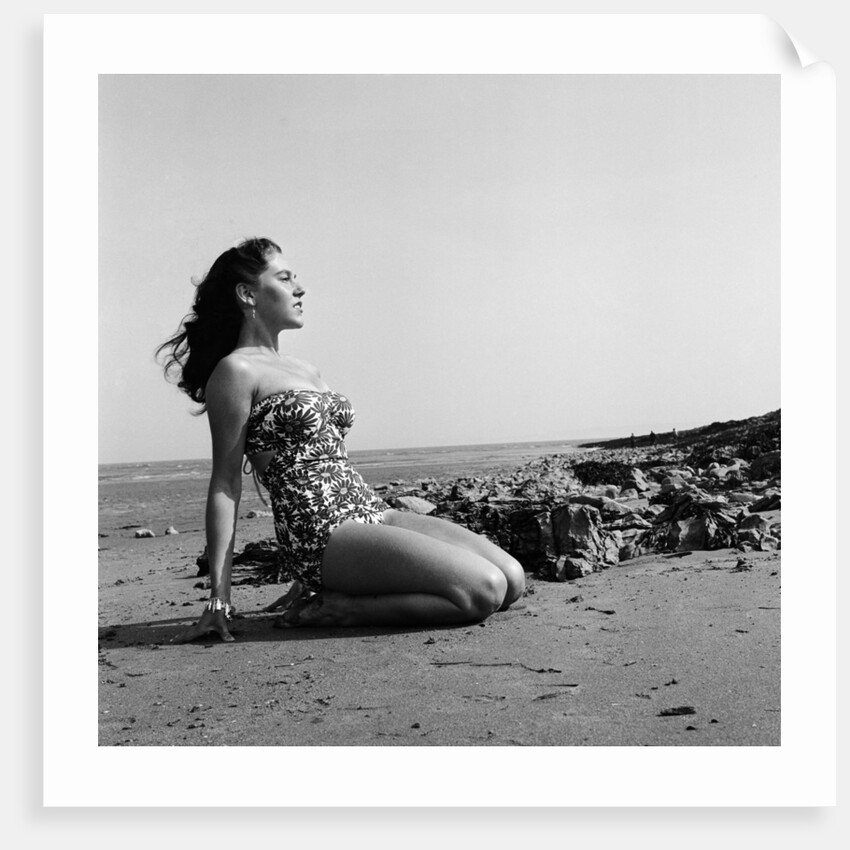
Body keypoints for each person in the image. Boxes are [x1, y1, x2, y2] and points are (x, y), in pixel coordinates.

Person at [157, 238, 525, 642]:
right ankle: (344, 607)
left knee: (512, 579)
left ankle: (339, 587)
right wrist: (219, 600)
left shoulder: (306, 369)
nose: (300, 289)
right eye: (284, 278)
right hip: (321, 531)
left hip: (369, 510)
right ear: (247, 294)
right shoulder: (236, 372)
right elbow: (226, 484)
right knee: (483, 590)